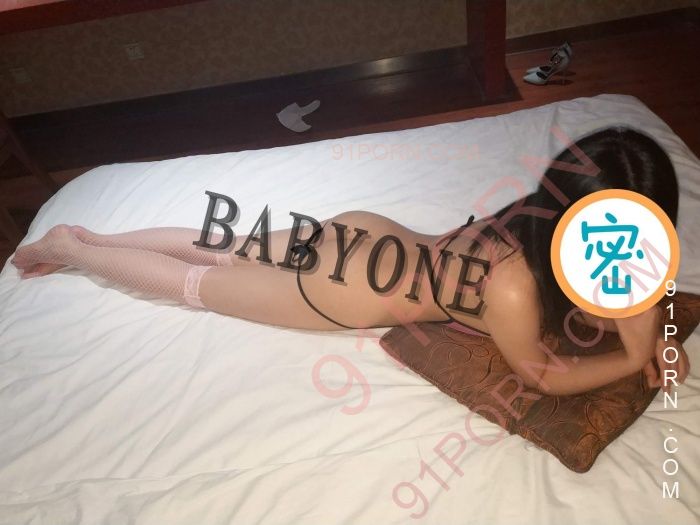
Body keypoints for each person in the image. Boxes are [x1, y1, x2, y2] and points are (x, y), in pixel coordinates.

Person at [10, 126, 690, 396]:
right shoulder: (513, 287)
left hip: (364, 235)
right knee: (200, 284)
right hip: (345, 290)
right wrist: (635, 356)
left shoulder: (535, 215)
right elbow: (540, 374)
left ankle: (91, 238)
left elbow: (623, 283)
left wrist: (655, 333)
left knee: (229, 246)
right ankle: (74, 248)